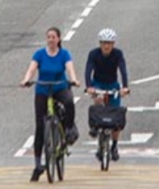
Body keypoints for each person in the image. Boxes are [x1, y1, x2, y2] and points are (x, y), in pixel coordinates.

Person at [20, 27, 80, 182]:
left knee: (68, 102)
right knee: (40, 127)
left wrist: (74, 79)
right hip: (43, 89)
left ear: (59, 39)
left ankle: (68, 128)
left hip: (59, 87)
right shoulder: (39, 54)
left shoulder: (63, 54)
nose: (51, 39)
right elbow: (32, 69)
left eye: (53, 37)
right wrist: (26, 79)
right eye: (48, 37)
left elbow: (69, 68)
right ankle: (37, 165)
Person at [85, 28, 130, 161]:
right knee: (98, 102)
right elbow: (88, 70)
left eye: (109, 43)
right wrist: (89, 87)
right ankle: (95, 128)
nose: (106, 46)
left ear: (113, 44)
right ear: (100, 43)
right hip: (98, 83)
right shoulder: (93, 54)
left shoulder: (118, 54)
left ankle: (114, 146)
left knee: (115, 116)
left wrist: (125, 87)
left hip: (112, 84)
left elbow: (123, 70)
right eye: (103, 43)